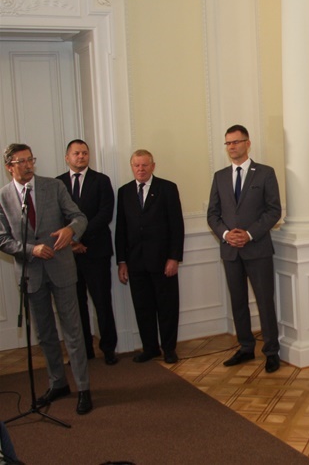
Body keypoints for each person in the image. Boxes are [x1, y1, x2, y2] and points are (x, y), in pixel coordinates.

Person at [0, 143, 93, 415]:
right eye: (21, 161)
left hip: (61, 269)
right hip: (31, 274)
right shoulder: (3, 196)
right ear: (9, 167)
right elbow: (2, 239)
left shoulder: (53, 186)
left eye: (31, 159)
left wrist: (70, 231)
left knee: (73, 330)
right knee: (45, 334)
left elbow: (79, 217)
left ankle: (84, 388)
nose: (28, 165)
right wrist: (31, 250)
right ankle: (58, 383)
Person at [208, 125, 283, 374]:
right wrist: (227, 234)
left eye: (236, 142)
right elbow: (212, 214)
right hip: (231, 250)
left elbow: (273, 210)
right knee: (238, 301)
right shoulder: (220, 176)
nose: (232, 147)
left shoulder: (264, 173)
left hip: (257, 249)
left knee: (264, 302)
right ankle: (246, 347)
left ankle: (271, 351)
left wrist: (249, 234)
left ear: (247, 143)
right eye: (228, 143)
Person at [115, 149, 184, 364]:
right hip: (135, 262)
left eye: (145, 165)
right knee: (143, 308)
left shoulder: (167, 188)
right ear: (131, 167)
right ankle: (150, 348)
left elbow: (176, 226)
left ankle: (169, 349)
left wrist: (174, 258)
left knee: (167, 308)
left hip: (163, 262)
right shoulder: (124, 192)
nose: (141, 169)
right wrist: (122, 261)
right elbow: (120, 229)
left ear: (153, 166)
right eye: (137, 165)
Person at [57, 140, 118, 365]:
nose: (81, 156)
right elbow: (56, 216)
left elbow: (105, 214)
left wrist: (78, 236)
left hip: (96, 251)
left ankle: (108, 349)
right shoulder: (57, 183)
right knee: (76, 305)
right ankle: (84, 350)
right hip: (68, 254)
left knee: (102, 302)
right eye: (76, 153)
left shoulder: (101, 181)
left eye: (84, 153)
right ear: (67, 157)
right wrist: (72, 242)